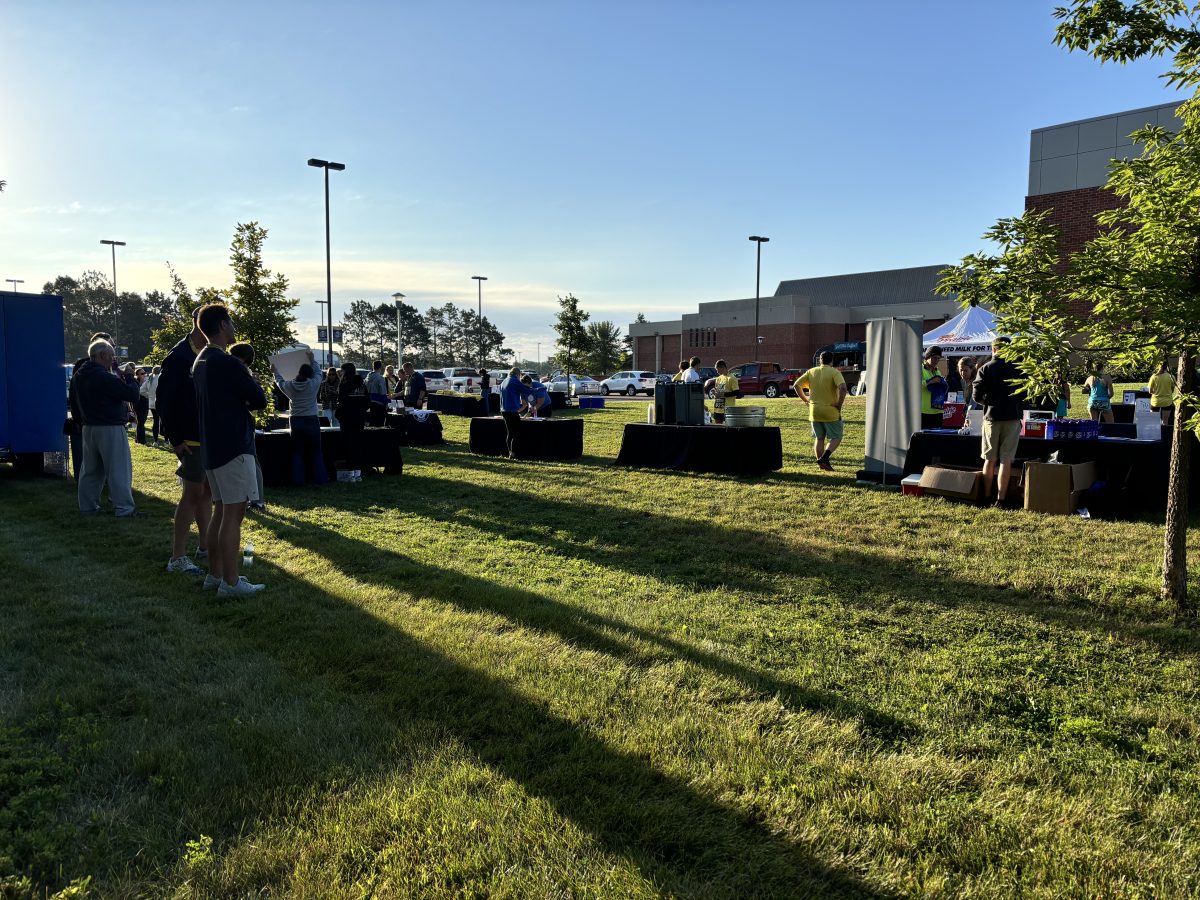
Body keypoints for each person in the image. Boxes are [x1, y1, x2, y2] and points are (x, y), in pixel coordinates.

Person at [191, 303, 268, 597]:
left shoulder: (201, 360)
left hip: (212, 445)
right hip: (234, 445)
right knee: (233, 514)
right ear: (223, 325)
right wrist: (252, 382)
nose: (234, 327)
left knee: (221, 511)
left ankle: (215, 574)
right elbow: (258, 399)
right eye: (231, 322)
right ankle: (232, 582)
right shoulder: (228, 362)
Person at [156, 307, 212, 575]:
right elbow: (164, 402)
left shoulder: (211, 353)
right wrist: (175, 439)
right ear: (197, 323)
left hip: (208, 437)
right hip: (190, 439)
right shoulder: (178, 357)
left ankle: (205, 546)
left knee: (207, 493)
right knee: (191, 494)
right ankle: (177, 556)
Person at [73, 339, 141, 517]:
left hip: (89, 426)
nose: (113, 359)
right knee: (118, 469)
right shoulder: (102, 376)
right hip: (109, 427)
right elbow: (132, 394)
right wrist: (129, 376)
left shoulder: (80, 374)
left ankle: (87, 506)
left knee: (90, 470)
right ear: (103, 355)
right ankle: (124, 508)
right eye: (111, 356)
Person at [973, 338, 1024, 506]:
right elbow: (1026, 393)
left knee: (989, 459)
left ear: (993, 349)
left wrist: (988, 402)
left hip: (992, 418)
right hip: (1012, 417)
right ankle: (1000, 499)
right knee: (1006, 460)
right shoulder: (1018, 369)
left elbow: (976, 395)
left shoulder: (985, 368)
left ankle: (987, 496)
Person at [273, 355, 328, 486]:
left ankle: (298, 479)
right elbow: (319, 373)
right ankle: (320, 478)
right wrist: (312, 359)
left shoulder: (290, 386)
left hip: (296, 420)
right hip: (311, 419)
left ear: (298, 372)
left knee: (297, 451)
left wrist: (275, 371)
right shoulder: (313, 384)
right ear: (310, 374)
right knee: (315, 450)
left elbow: (279, 382)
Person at [228, 343, 267, 509]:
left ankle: (256, 499)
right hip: (243, 421)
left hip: (242, 423)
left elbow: (256, 400)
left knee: (251, 461)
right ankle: (254, 498)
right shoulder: (243, 372)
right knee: (250, 460)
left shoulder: (241, 373)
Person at [795, 351, 848, 471]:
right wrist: (839, 404)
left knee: (819, 438)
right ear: (832, 361)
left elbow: (796, 385)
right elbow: (843, 388)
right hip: (830, 410)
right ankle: (824, 458)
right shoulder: (834, 372)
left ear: (820, 360)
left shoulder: (811, 371)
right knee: (836, 437)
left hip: (814, 411)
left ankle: (821, 464)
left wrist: (806, 400)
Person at [337, 362, 369, 479]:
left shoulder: (344, 384)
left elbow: (341, 402)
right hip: (359, 418)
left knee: (348, 445)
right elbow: (367, 402)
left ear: (345, 371)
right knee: (358, 444)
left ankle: (350, 472)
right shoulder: (362, 384)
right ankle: (358, 473)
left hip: (347, 419)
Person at [500, 366, 537, 457]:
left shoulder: (504, 381)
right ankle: (513, 453)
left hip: (504, 409)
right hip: (512, 410)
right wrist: (536, 389)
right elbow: (526, 390)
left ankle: (509, 451)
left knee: (510, 432)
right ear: (518, 374)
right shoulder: (514, 381)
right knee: (518, 432)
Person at [921, 346, 948, 429]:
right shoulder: (921, 369)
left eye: (938, 358)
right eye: (934, 358)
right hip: (924, 411)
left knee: (936, 439)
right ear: (927, 357)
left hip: (938, 410)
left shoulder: (937, 371)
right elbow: (913, 385)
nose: (936, 361)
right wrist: (930, 381)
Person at [708, 359, 741, 424]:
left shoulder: (732, 378)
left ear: (722, 367)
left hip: (727, 409)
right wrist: (715, 394)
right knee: (717, 426)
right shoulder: (718, 379)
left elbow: (736, 392)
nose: (717, 372)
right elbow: (718, 392)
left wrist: (723, 394)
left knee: (727, 426)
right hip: (718, 407)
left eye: (717, 369)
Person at [1149, 361, 1176, 426]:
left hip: (1155, 402)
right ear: (1168, 367)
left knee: (1154, 422)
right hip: (1167, 402)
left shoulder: (1154, 376)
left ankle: (1155, 435)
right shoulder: (1171, 377)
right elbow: (1172, 390)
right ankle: (1164, 435)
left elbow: (1150, 391)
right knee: (1165, 422)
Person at [366, 360, 388, 426]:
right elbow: (383, 392)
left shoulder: (367, 378)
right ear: (380, 367)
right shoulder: (380, 378)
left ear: (373, 367)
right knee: (379, 424)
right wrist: (386, 403)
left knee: (371, 423)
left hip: (369, 403)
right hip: (378, 404)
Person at [133, 367, 150, 444]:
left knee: (141, 422)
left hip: (144, 403)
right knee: (141, 421)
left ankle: (138, 438)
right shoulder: (136, 382)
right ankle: (141, 439)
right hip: (138, 404)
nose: (144, 375)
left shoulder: (147, 381)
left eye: (144, 373)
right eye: (142, 374)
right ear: (138, 375)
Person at [146, 365, 162, 443]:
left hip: (151, 403)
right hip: (159, 402)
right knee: (163, 421)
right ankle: (166, 439)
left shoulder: (149, 378)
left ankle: (155, 440)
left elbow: (143, 390)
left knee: (155, 421)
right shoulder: (160, 378)